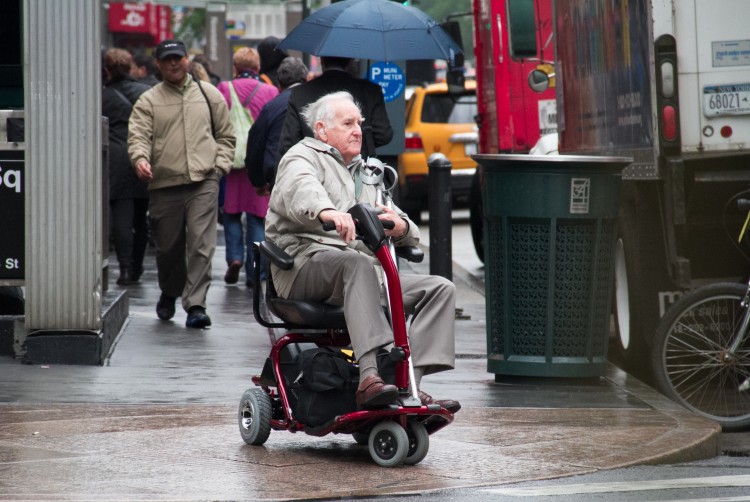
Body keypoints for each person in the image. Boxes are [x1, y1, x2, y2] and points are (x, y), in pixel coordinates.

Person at [266, 91, 460, 412]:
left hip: (364, 274)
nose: (358, 130)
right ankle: (369, 379)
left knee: (439, 289)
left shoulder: (367, 172)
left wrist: (401, 227)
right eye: (348, 123)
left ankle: (409, 384)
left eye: (359, 123)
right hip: (303, 265)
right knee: (355, 264)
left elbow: (403, 223)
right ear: (322, 130)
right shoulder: (301, 158)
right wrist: (329, 213)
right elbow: (303, 191)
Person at [128, 39, 235, 329]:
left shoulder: (209, 94)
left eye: (179, 57)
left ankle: (196, 304)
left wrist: (220, 166)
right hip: (164, 184)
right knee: (168, 248)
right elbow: (137, 136)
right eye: (168, 59)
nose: (174, 63)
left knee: (202, 245)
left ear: (187, 60)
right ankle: (169, 290)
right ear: (158, 64)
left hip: (204, 180)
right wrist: (140, 159)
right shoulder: (148, 100)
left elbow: (226, 136)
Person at [216, 47, 278, 287]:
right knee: (256, 217)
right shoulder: (271, 91)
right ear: (257, 68)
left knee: (231, 213)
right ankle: (256, 272)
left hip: (232, 161)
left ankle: (234, 259)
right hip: (257, 163)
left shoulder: (224, 89)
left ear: (236, 67)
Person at [276, 56, 393, 163]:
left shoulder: (300, 93)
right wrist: (356, 143)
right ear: (351, 61)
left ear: (321, 60)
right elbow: (383, 135)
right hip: (358, 172)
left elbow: (288, 144)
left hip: (314, 171)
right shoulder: (370, 90)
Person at [102, 48, 152, 286]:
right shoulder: (147, 93)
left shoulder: (102, 97)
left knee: (121, 219)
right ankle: (138, 265)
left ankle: (125, 269)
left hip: (115, 161)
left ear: (107, 70)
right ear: (131, 67)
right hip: (143, 159)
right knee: (140, 218)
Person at [246, 57, 308, 192]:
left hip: (280, 177)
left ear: (279, 83)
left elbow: (256, 143)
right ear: (305, 78)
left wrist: (259, 181)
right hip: (313, 176)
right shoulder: (317, 101)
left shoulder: (271, 107)